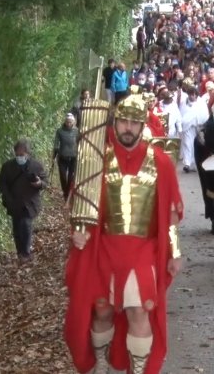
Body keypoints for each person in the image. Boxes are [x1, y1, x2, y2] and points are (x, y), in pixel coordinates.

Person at [63, 93, 184, 374]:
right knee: (102, 310)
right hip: (103, 247)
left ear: (143, 125)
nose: (128, 128)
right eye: (123, 121)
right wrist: (77, 231)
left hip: (144, 250)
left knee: (139, 310)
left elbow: (171, 212)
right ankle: (101, 365)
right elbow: (81, 203)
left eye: (134, 122)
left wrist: (175, 251)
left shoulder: (161, 162)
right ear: (115, 122)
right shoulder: (96, 159)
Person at [0, 139, 49, 264]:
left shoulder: (36, 165)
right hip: (14, 202)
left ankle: (26, 252)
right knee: (17, 228)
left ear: (28, 154)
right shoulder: (8, 166)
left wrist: (39, 183)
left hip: (30, 203)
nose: (20, 157)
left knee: (26, 225)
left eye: (22, 155)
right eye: (17, 155)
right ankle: (20, 251)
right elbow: (1, 183)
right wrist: (7, 196)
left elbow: (45, 182)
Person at [179, 85, 210, 173]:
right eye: (190, 94)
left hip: (198, 127)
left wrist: (199, 121)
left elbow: (205, 114)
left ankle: (194, 164)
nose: (191, 96)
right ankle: (187, 164)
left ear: (196, 95)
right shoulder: (184, 103)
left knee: (195, 145)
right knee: (187, 144)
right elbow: (182, 113)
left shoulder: (201, 103)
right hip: (188, 127)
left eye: (193, 94)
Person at [53, 113, 80, 200]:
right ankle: (65, 192)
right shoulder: (60, 131)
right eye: (67, 122)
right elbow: (56, 143)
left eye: (70, 122)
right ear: (65, 122)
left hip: (73, 157)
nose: (68, 124)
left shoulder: (77, 131)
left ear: (73, 122)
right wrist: (54, 153)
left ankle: (68, 193)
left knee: (71, 177)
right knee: (63, 176)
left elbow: (80, 142)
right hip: (62, 157)